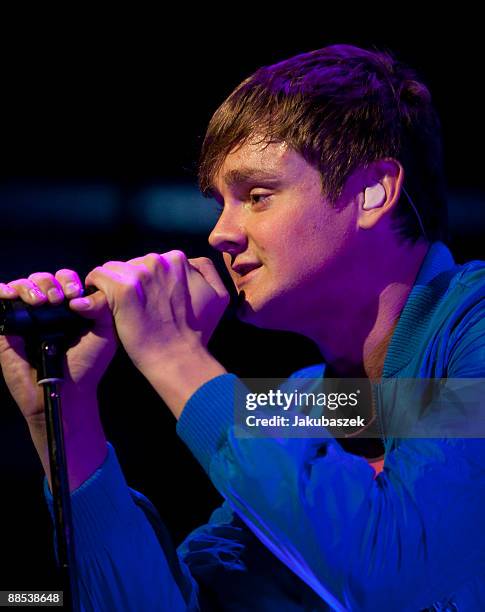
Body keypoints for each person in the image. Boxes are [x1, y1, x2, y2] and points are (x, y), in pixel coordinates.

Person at [1, 43, 484, 611]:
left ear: (373, 192)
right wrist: (67, 419)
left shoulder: (473, 330)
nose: (219, 234)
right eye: (220, 204)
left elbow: (394, 569)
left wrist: (175, 357)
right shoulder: (304, 405)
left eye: (257, 196)